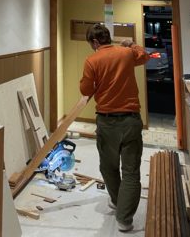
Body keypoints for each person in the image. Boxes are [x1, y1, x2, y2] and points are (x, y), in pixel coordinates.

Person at [79, 23, 150, 233]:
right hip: (131, 120)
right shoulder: (126, 53)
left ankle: (119, 201)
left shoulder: (92, 60)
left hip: (107, 121)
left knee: (108, 167)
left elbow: (85, 89)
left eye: (91, 44)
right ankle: (124, 219)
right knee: (131, 171)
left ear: (95, 42)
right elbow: (145, 56)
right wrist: (132, 44)